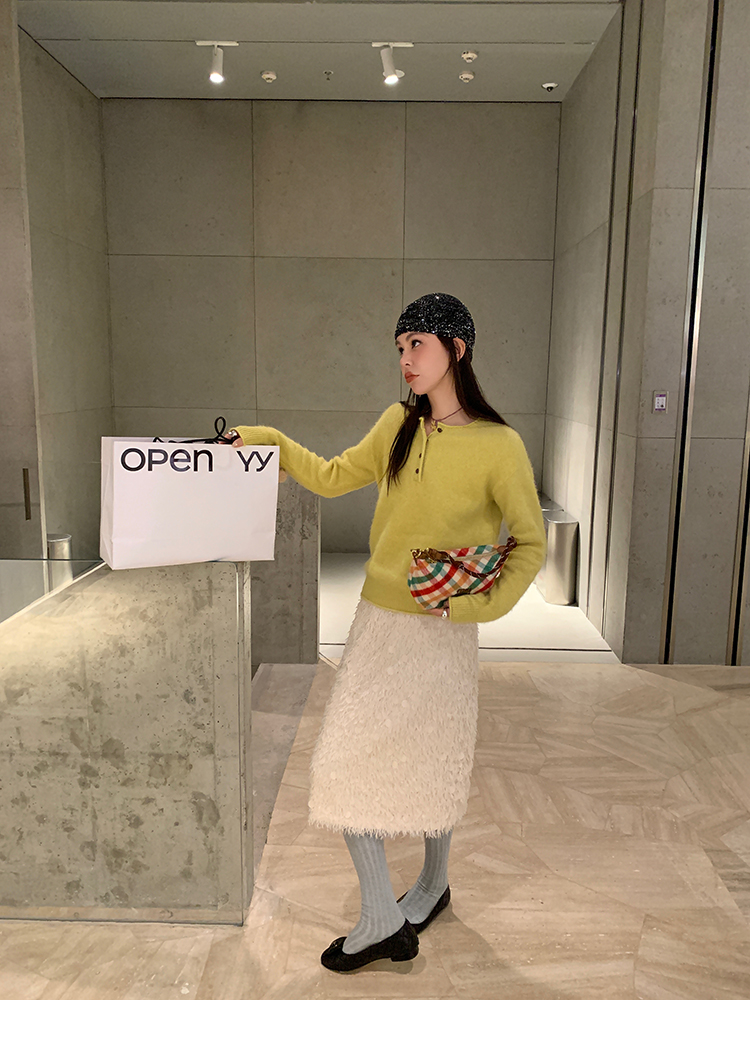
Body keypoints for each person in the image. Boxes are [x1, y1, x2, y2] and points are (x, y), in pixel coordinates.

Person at [222, 293, 547, 972]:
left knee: (433, 756)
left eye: (417, 344)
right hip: (378, 622)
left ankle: (422, 892)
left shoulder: (499, 445)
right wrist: (270, 440)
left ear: (457, 348)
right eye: (399, 347)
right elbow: (333, 476)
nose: (405, 359)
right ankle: (385, 915)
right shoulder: (398, 423)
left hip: (443, 629)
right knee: (347, 765)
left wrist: (475, 610)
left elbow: (530, 542)